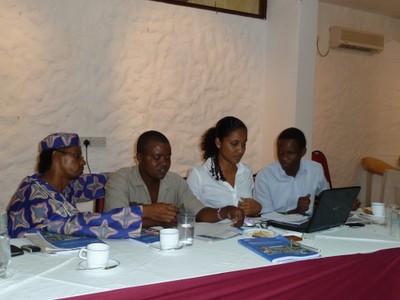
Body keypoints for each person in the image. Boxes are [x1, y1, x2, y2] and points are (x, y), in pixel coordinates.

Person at [7, 132, 149, 239]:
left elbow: (106, 180)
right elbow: (81, 223)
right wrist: (144, 212)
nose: (83, 162)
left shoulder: (66, 185)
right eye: (77, 156)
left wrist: (141, 172)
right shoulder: (35, 195)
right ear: (56, 156)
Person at [105, 130, 244, 227]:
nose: (164, 163)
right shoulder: (120, 179)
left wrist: (225, 211)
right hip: (128, 248)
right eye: (157, 158)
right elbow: (114, 218)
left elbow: (199, 213)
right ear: (139, 157)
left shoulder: (175, 182)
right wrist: (150, 213)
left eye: (167, 157)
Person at [187, 116, 261, 216]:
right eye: (234, 144)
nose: (240, 150)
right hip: (211, 231)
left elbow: (251, 211)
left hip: (244, 230)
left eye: (244, 144)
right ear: (218, 143)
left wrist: (257, 208)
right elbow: (189, 214)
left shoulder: (246, 171)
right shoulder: (198, 175)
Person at [254, 127, 330, 215]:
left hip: (309, 224)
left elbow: (327, 198)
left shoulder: (315, 169)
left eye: (290, 153)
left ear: (303, 152)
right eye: (281, 152)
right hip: (277, 227)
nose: (284, 158)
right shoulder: (265, 176)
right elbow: (265, 217)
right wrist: (296, 210)